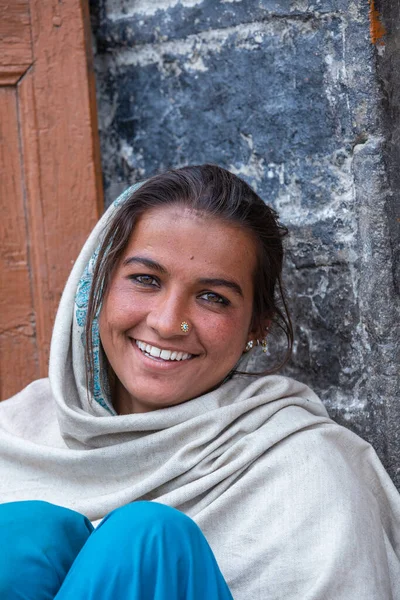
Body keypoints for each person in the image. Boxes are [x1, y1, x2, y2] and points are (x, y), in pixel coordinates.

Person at [0, 164, 399, 599]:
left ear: (256, 327)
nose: (169, 324)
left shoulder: (303, 471)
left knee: (148, 543)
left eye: (213, 297)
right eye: (145, 279)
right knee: (25, 538)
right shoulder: (21, 433)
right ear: (96, 286)